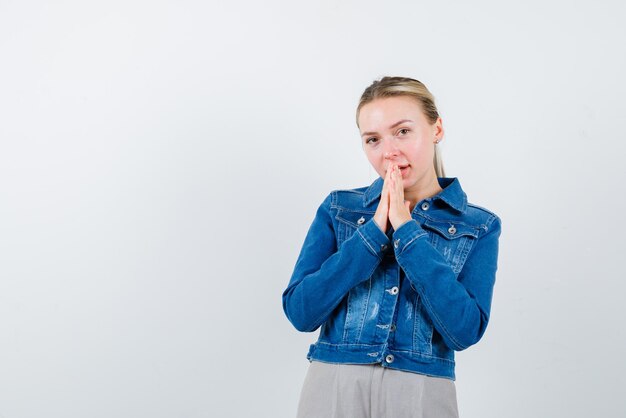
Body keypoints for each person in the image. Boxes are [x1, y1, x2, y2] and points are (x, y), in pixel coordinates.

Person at [282, 76, 502, 418]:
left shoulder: (479, 225)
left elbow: (464, 330)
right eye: (373, 139)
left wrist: (407, 231)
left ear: (436, 129)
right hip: (334, 382)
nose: (389, 152)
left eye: (403, 131)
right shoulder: (339, 208)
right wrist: (372, 235)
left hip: (422, 388)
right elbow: (301, 311)